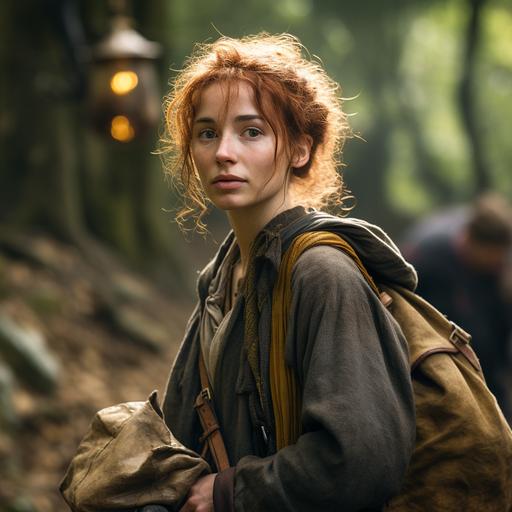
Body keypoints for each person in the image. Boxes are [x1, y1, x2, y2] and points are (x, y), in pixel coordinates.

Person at [160, 33, 416, 512]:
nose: (223, 152)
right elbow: (182, 423)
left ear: (300, 149)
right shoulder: (222, 275)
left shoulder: (322, 274)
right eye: (207, 131)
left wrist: (232, 492)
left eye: (251, 131)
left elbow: (360, 462)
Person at [402, 193, 512, 420]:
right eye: (495, 255)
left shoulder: (497, 273)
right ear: (473, 241)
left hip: (488, 378)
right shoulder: (428, 257)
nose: (499, 262)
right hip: (435, 375)